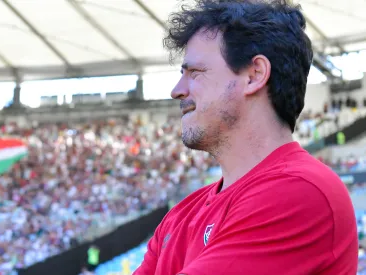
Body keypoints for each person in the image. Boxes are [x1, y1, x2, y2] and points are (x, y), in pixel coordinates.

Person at [134, 1, 358, 275]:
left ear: (254, 76)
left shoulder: (301, 191)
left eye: (195, 72)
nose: (177, 90)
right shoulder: (178, 217)